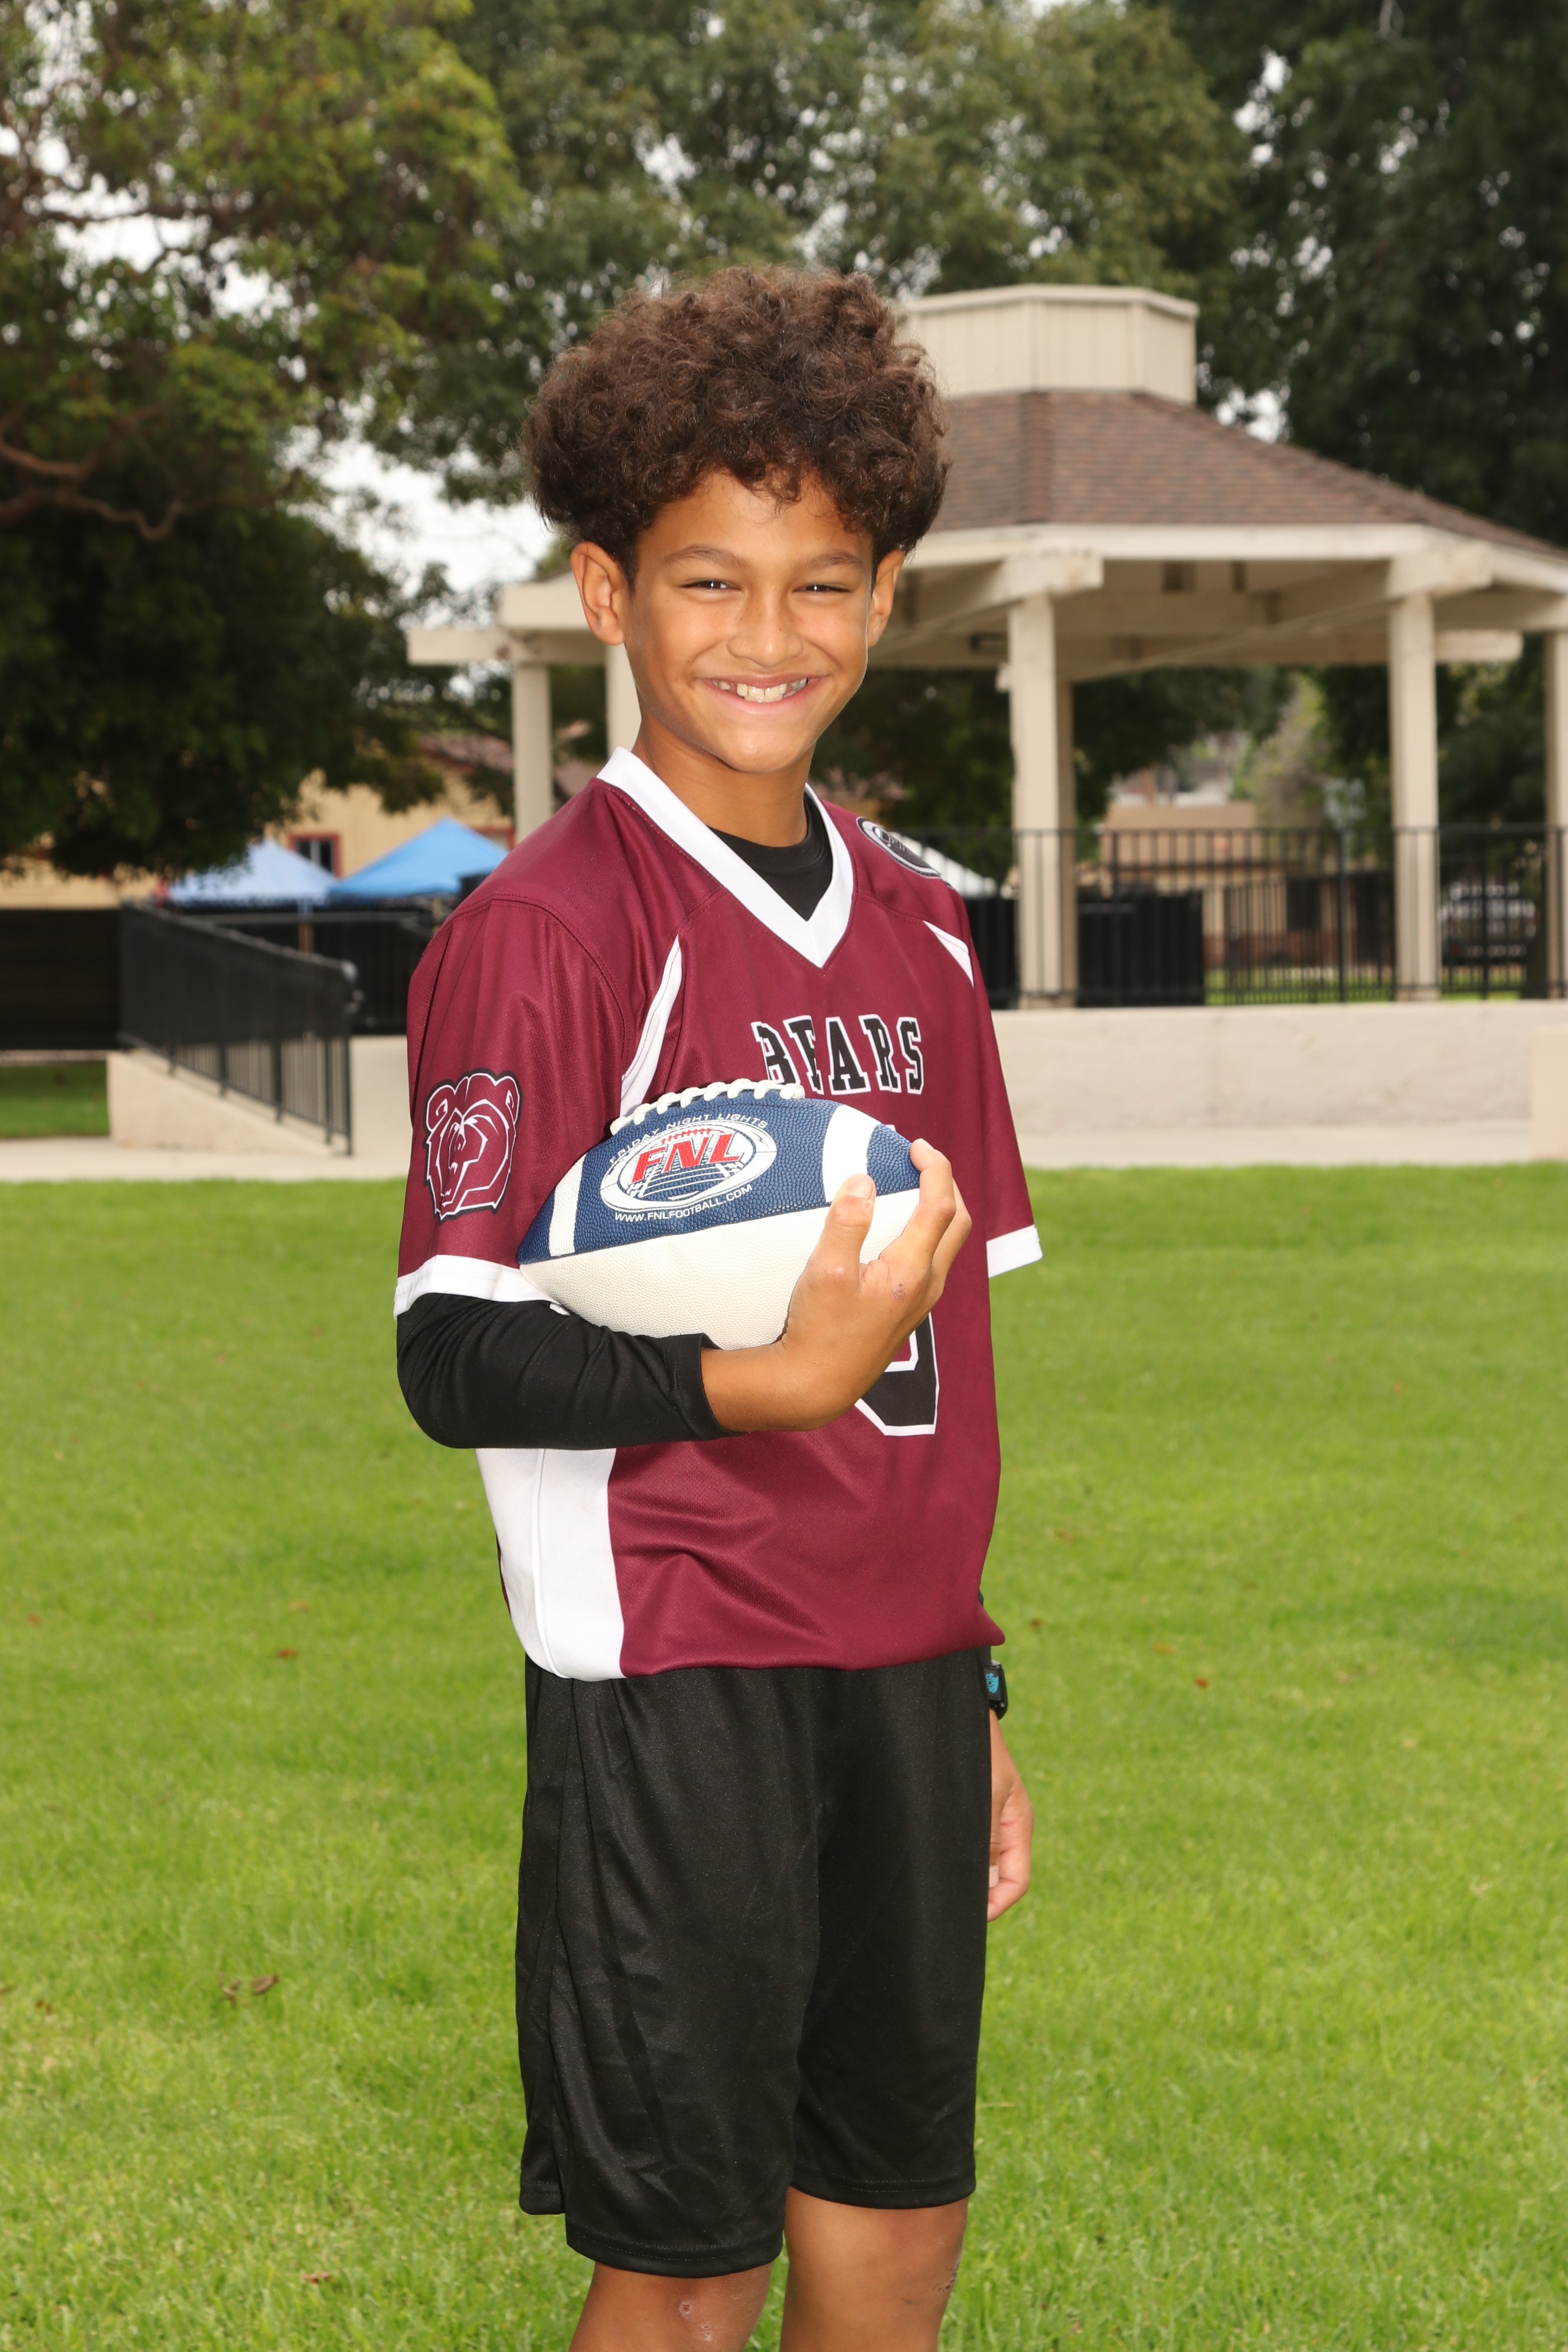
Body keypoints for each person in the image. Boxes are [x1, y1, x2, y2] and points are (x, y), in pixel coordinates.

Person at [396, 267, 1038, 2352]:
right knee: (685, 2274)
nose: (772, 634)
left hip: (902, 1680)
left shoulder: (927, 934)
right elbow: (452, 1349)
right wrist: (755, 1381)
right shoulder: (549, 932)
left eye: (822, 582)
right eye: (709, 581)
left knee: (894, 2236)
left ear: (885, 597)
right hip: (675, 1673)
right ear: (608, 592)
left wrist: (976, 1695)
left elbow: (944, 1379)